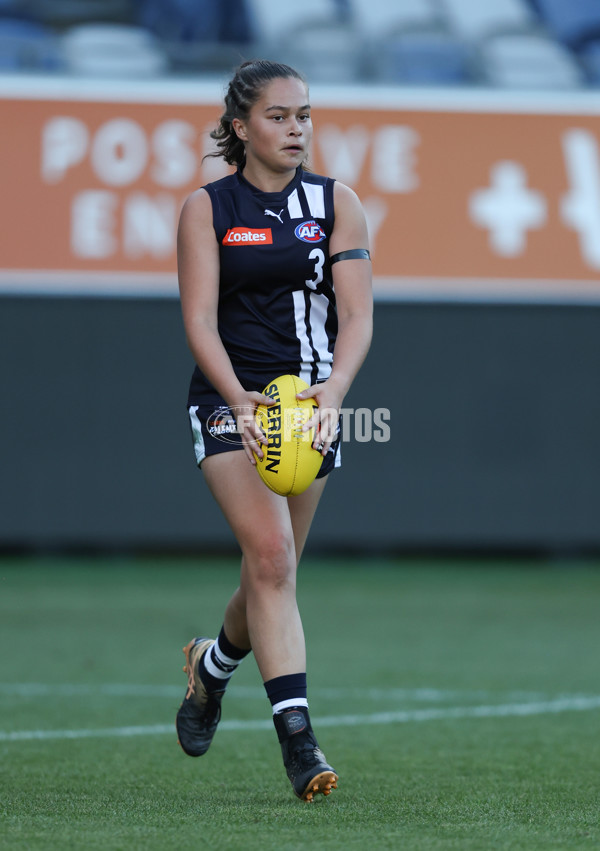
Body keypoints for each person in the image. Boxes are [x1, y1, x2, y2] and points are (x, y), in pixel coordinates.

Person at [176, 59, 373, 802]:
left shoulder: (336, 202)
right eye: (279, 116)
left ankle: (211, 667)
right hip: (232, 403)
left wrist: (335, 393)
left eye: (304, 116)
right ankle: (300, 741)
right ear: (240, 127)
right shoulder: (207, 207)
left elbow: (356, 316)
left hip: (311, 409)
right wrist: (238, 399)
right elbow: (198, 319)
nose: (296, 130)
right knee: (270, 552)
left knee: (272, 571)